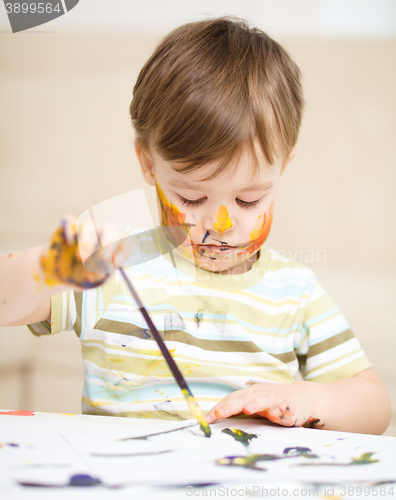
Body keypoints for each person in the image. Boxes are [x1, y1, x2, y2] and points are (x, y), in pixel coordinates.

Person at [0, 17, 390, 434]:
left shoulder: (294, 291)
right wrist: (54, 267)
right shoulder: (111, 271)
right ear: (149, 164)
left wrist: (308, 399)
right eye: (191, 198)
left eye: (248, 200)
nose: (219, 224)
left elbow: (375, 407)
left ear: (284, 166)